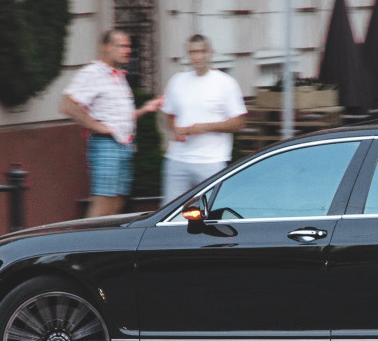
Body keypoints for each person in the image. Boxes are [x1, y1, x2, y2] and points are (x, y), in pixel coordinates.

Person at [60, 29, 162, 218]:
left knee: (116, 206)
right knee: (103, 206)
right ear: (105, 47)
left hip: (124, 146)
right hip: (106, 146)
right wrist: (98, 126)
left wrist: (145, 109)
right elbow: (67, 105)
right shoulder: (93, 73)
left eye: (129, 46)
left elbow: (118, 118)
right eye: (122, 45)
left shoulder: (118, 76)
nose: (128, 50)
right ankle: (86, 246)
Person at [160, 34, 248, 205]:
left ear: (209, 53)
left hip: (211, 161)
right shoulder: (177, 81)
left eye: (200, 52)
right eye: (192, 52)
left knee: (212, 213)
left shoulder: (225, 83)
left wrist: (206, 126)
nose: (196, 57)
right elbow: (169, 117)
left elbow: (239, 122)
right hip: (177, 159)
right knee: (169, 214)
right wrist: (175, 130)